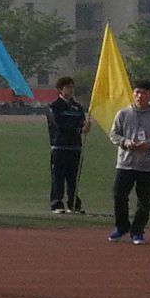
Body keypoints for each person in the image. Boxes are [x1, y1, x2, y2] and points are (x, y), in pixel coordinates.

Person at [107, 80, 150, 245]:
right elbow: (114, 134)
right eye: (137, 92)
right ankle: (121, 227)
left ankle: (137, 231)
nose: (140, 96)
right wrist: (126, 142)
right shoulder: (123, 114)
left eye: (144, 93)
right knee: (119, 195)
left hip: (147, 165)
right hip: (125, 163)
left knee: (144, 200)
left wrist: (149, 144)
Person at [46, 77, 88, 214]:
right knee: (58, 177)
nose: (71, 90)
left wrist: (85, 126)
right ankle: (57, 204)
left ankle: (73, 204)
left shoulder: (77, 107)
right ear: (60, 89)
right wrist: (79, 129)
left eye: (72, 87)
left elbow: (81, 122)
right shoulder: (54, 107)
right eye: (68, 87)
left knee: (73, 178)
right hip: (60, 147)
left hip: (75, 148)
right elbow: (59, 125)